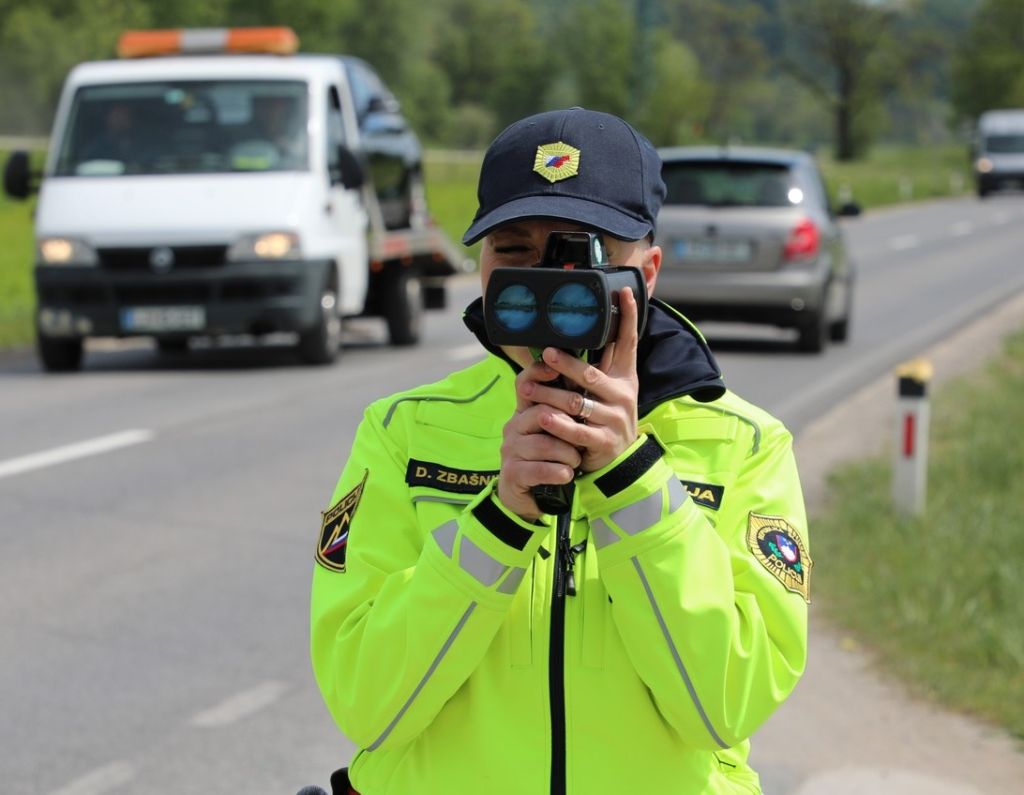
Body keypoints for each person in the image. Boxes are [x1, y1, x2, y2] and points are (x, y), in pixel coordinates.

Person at [310, 107, 810, 795]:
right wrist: (497, 521)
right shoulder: (404, 433)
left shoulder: (742, 445)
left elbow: (722, 706)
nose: (546, 281)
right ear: (481, 266)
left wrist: (634, 481)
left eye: (579, 252)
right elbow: (367, 701)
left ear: (650, 270)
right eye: (512, 252)